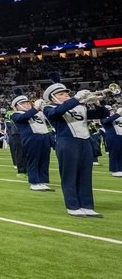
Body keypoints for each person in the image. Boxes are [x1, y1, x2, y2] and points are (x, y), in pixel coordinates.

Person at [43, 83, 109, 218]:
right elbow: (57, 112)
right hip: (67, 142)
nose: (66, 95)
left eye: (67, 93)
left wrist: (98, 102)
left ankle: (87, 205)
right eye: (61, 94)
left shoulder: (79, 106)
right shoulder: (49, 107)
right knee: (69, 175)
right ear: (52, 97)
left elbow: (103, 114)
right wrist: (77, 99)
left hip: (85, 141)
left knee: (86, 175)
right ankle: (72, 206)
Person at [9, 95, 53, 191]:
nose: (27, 104)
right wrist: (36, 108)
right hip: (31, 138)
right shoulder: (15, 114)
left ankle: (42, 181)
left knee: (44, 160)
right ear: (17, 106)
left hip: (44, 136)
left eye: (28, 103)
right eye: (24, 103)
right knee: (33, 160)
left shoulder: (37, 113)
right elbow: (24, 117)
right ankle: (34, 182)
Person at [102, 108, 122, 177]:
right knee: (114, 153)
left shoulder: (118, 117)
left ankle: (120, 169)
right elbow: (107, 121)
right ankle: (114, 170)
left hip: (120, 136)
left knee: (121, 153)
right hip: (113, 136)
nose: (111, 111)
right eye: (110, 110)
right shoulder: (104, 117)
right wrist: (118, 114)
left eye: (112, 110)